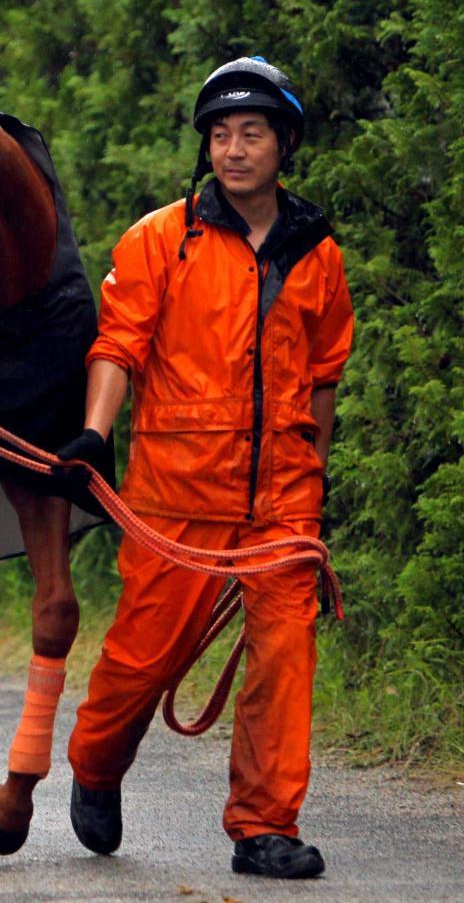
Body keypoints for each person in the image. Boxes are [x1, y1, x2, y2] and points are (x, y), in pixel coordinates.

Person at [57, 57, 354, 879]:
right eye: (220, 135)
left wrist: (314, 477)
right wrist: (93, 434)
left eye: (251, 133)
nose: (233, 149)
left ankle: (264, 826)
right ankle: (95, 761)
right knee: (144, 658)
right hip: (176, 492)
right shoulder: (161, 239)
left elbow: (324, 375)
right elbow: (118, 344)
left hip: (282, 498)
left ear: (283, 143)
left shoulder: (318, 251)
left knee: (285, 653)